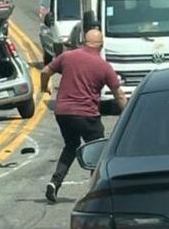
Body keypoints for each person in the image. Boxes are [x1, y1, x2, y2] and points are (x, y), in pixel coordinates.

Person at [40, 29, 127, 203]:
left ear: (83, 42)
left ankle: (54, 183)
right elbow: (119, 95)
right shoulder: (103, 66)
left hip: (63, 113)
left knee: (71, 145)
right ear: (101, 46)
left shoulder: (68, 56)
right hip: (87, 115)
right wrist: (127, 115)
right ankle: (95, 192)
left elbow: (44, 71)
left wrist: (45, 88)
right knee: (97, 153)